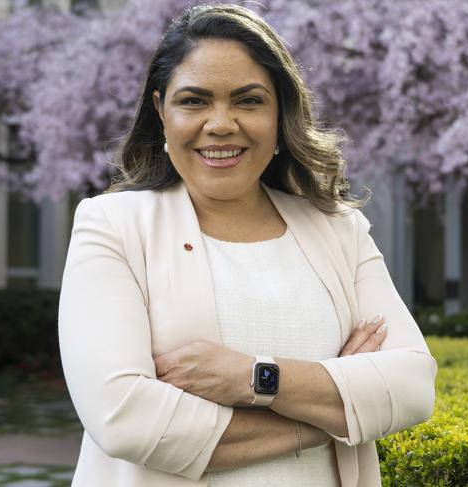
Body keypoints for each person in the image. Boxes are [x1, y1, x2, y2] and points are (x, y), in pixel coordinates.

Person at [58, 4, 437, 486]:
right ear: (161, 111)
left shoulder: (340, 231)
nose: (220, 124)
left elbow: (412, 387)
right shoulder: (112, 226)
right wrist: (332, 411)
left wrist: (252, 377)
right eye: (194, 101)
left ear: (280, 113)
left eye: (248, 100)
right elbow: (124, 418)